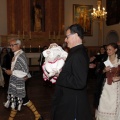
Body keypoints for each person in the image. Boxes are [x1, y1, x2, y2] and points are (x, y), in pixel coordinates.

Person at [52, 24, 93, 120]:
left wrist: (60, 75)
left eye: (67, 37)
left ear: (75, 35)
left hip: (73, 103)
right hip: (69, 99)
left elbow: (80, 82)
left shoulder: (78, 54)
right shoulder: (76, 51)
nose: (65, 40)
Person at [4, 38, 43, 120]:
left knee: (22, 99)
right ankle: (37, 115)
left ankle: (38, 115)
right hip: (16, 81)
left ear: (18, 45)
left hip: (20, 82)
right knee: (16, 100)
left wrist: (11, 72)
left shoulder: (21, 56)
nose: (11, 47)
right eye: (10, 45)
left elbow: (24, 71)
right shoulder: (16, 54)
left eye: (12, 45)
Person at [95, 43, 120, 120]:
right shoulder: (104, 60)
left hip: (116, 87)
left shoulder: (119, 60)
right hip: (105, 86)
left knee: (114, 105)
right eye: (107, 50)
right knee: (103, 103)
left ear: (115, 50)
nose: (108, 51)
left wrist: (119, 78)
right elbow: (97, 72)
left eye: (110, 49)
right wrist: (103, 70)